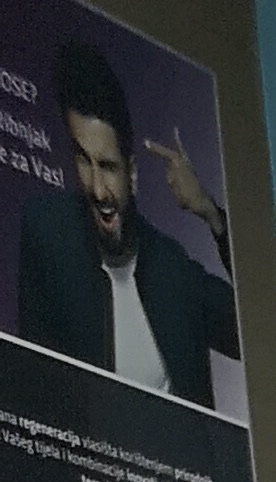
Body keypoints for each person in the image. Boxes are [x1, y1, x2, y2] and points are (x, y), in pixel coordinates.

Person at [15, 39, 239, 409]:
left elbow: (250, 332)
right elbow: (33, 385)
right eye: (83, 160)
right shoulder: (49, 233)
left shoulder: (174, 271)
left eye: (107, 166)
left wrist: (211, 214)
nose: (97, 188)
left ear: (132, 174)